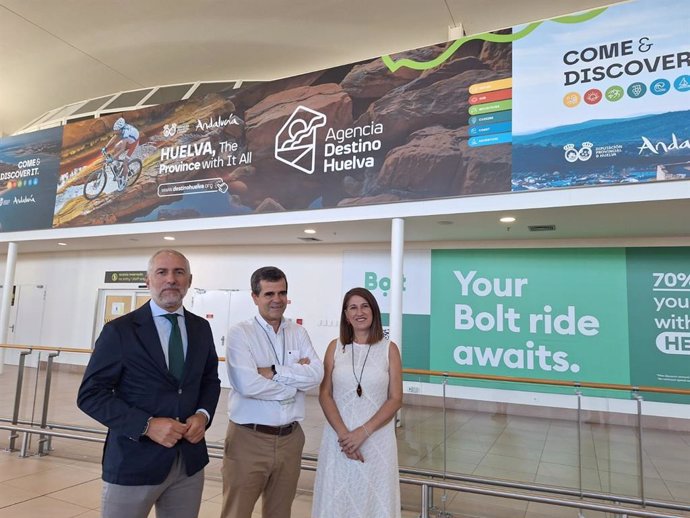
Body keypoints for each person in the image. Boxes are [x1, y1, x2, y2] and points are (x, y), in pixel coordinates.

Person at [77, 249, 221, 518]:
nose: (171, 279)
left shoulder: (201, 328)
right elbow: (91, 395)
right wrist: (146, 425)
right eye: (162, 272)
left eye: (179, 272)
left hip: (188, 463)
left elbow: (210, 380)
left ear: (189, 280)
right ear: (148, 280)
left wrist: (203, 415)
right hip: (134, 460)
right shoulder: (120, 331)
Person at [222, 266, 324, 518]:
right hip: (249, 438)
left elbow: (317, 375)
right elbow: (247, 384)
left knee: (280, 512)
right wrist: (293, 385)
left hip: (290, 439)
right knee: (237, 511)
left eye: (282, 293)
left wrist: (274, 371)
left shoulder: (298, 332)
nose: (277, 300)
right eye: (269, 294)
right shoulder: (240, 333)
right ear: (255, 297)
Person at [312, 287, 403, 518]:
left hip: (376, 439)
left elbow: (395, 399)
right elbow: (325, 394)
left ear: (374, 311)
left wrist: (362, 433)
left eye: (365, 306)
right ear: (345, 314)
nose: (359, 312)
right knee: (338, 494)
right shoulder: (335, 347)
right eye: (353, 307)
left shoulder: (389, 349)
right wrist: (346, 436)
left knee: (373, 497)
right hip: (339, 438)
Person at [103, 115, 140, 188]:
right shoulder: (121, 129)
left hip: (133, 144)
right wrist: (106, 147)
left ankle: (123, 181)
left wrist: (112, 158)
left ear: (121, 129)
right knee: (116, 147)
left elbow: (122, 149)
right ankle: (117, 165)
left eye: (116, 130)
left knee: (125, 162)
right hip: (129, 141)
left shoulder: (126, 133)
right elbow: (115, 137)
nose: (115, 131)